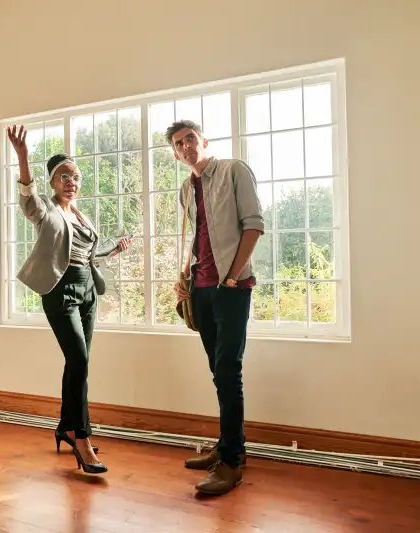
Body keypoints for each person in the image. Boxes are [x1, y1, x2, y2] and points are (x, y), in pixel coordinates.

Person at [6, 124, 132, 475]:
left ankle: (66, 426)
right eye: (64, 176)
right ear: (52, 181)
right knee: (78, 360)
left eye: (75, 176)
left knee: (78, 362)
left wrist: (113, 252)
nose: (71, 181)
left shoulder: (82, 215)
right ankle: (81, 438)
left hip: (87, 291)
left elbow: (85, 258)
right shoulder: (46, 209)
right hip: (60, 292)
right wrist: (22, 158)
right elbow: (28, 201)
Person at [168, 120, 264, 495]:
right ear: (176, 154)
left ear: (203, 141)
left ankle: (232, 463)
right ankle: (228, 446)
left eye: (190, 138)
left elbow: (253, 226)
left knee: (228, 371)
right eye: (179, 143)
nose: (186, 146)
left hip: (232, 287)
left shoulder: (234, 171)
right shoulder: (185, 189)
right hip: (202, 288)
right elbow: (198, 239)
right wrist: (187, 277)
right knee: (218, 371)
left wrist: (231, 278)